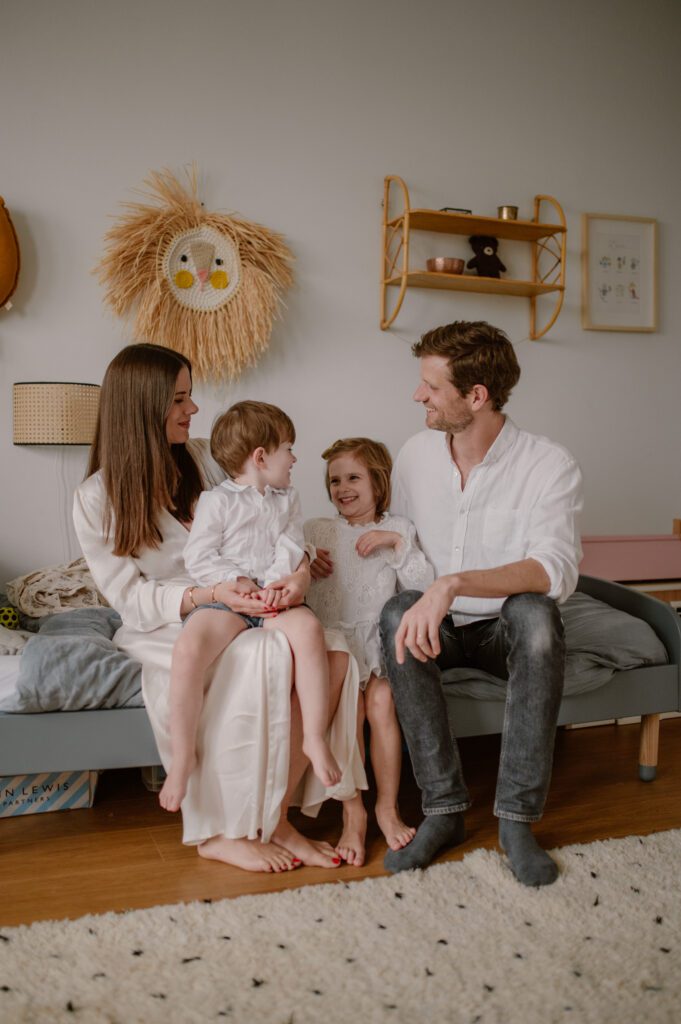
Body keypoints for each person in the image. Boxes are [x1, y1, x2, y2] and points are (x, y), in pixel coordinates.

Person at [73, 343, 366, 873]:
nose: (193, 409)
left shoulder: (208, 457)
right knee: (264, 659)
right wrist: (211, 594)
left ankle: (275, 815)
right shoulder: (97, 498)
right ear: (145, 406)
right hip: (172, 615)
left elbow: (278, 530)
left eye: (190, 396)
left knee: (335, 655)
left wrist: (296, 575)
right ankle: (221, 830)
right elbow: (130, 598)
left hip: (248, 596)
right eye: (180, 399)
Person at [379, 321, 583, 886]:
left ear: (476, 396)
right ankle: (443, 811)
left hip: (503, 632)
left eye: (431, 386)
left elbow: (554, 570)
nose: (417, 395)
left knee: (537, 613)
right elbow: (403, 541)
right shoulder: (415, 454)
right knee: (396, 613)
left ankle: (516, 820)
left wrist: (454, 583)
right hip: (435, 631)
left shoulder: (548, 464)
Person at [159, 400, 341, 812]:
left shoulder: (287, 499)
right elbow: (200, 556)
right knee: (189, 648)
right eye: (288, 449)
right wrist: (234, 583)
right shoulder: (216, 502)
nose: (294, 458)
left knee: (310, 632)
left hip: (274, 598)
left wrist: (278, 585)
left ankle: (313, 736)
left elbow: (291, 544)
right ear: (261, 457)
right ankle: (182, 755)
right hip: (230, 600)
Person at [305, 438, 434, 864]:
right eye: (334, 480)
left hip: (375, 645)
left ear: (378, 481)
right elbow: (281, 560)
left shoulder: (397, 528)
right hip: (336, 644)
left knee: (380, 704)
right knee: (350, 711)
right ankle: (353, 811)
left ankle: (387, 807)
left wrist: (394, 546)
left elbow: (423, 583)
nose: (342, 487)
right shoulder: (318, 530)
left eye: (353, 477)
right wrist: (306, 560)